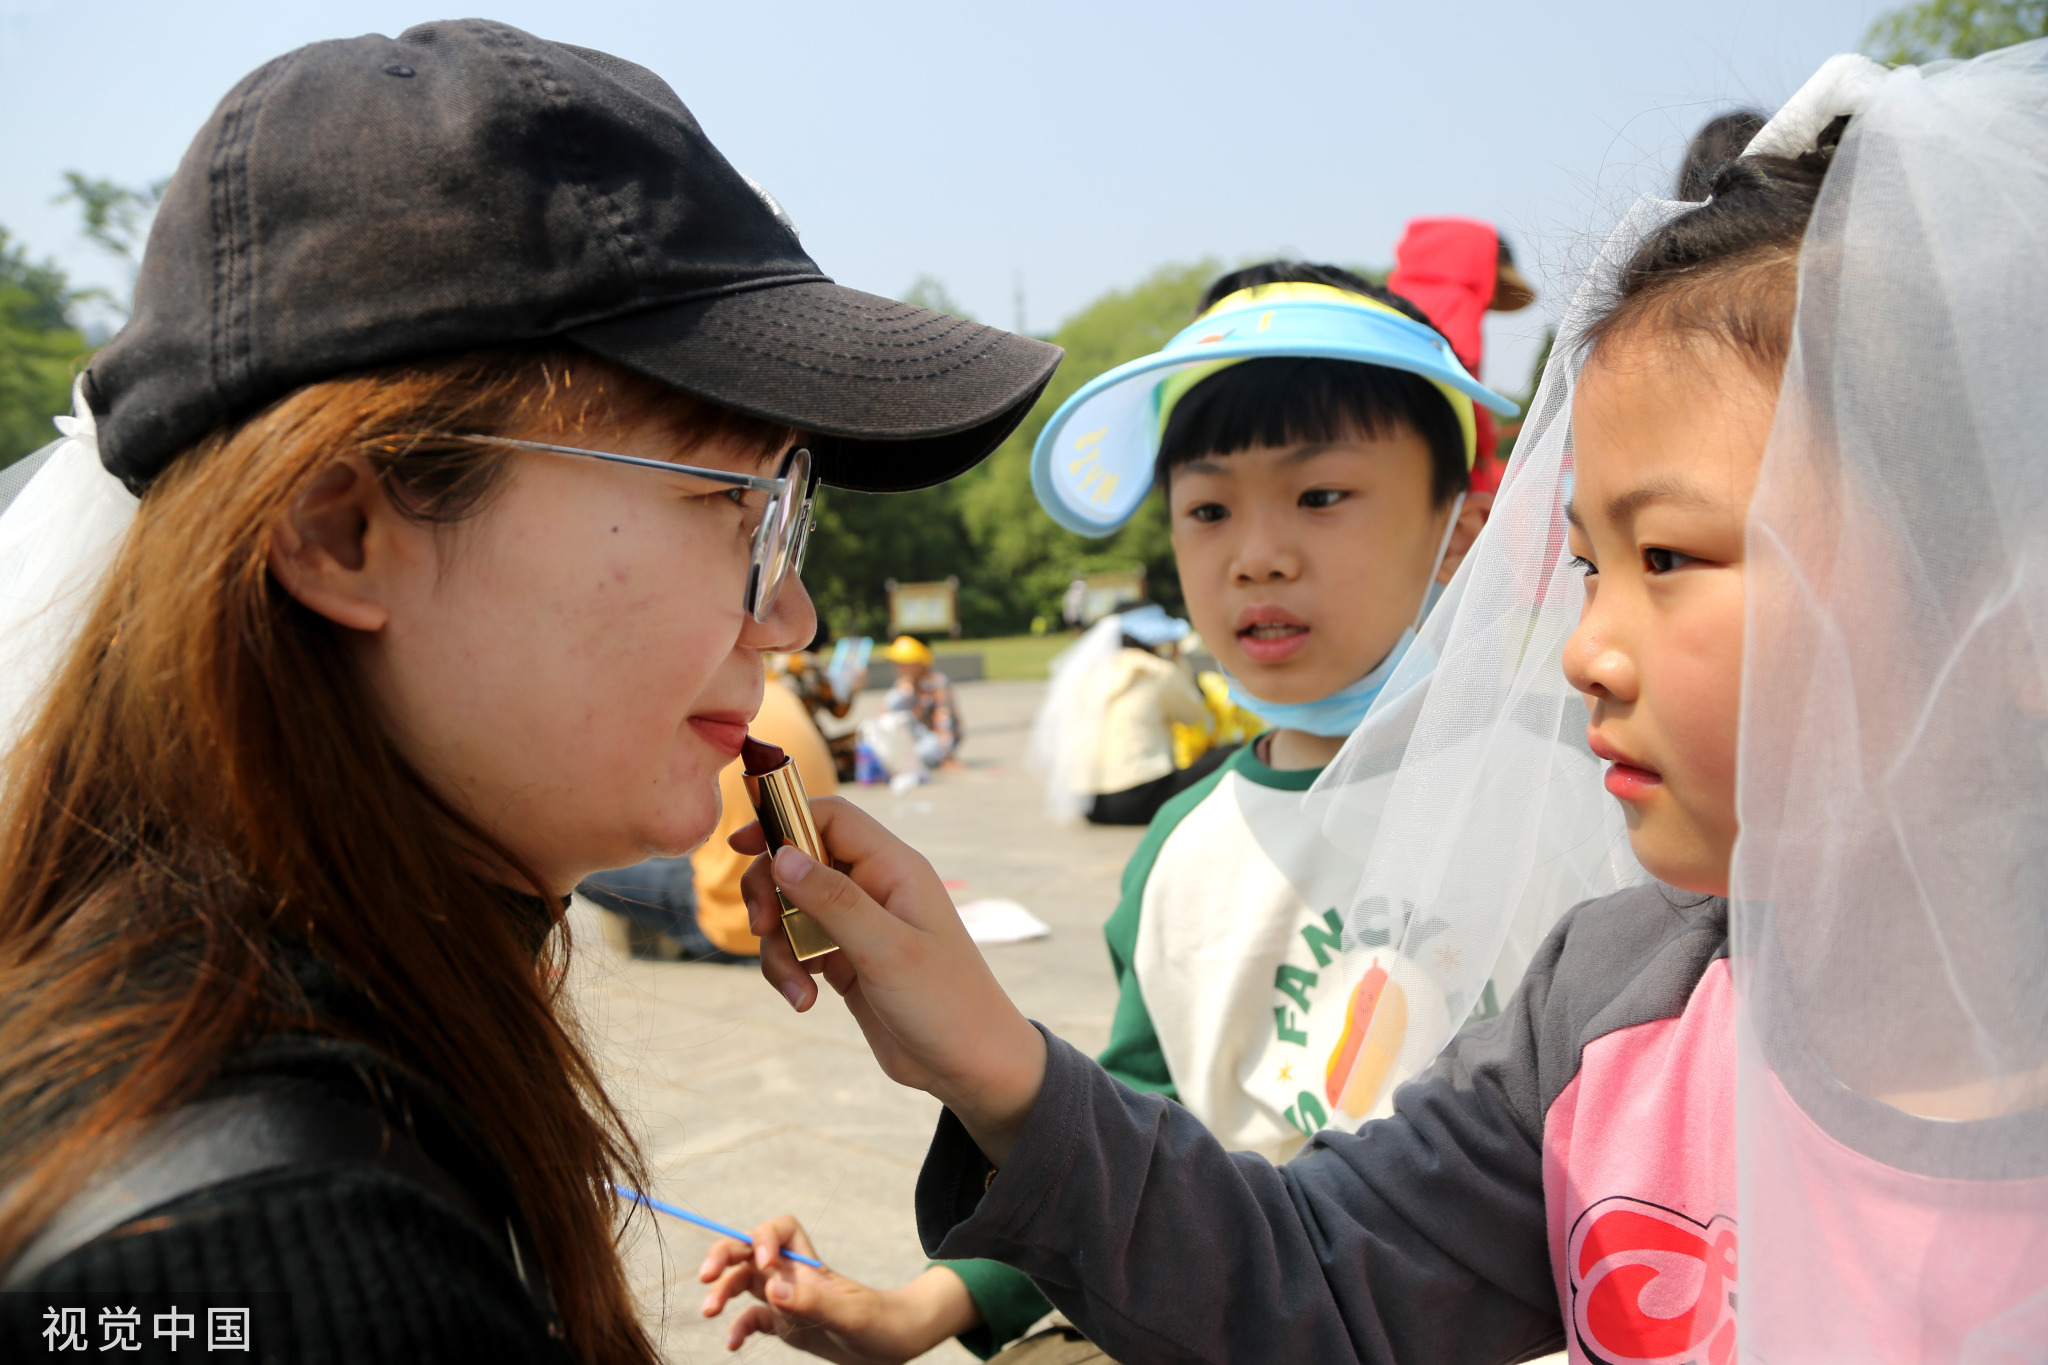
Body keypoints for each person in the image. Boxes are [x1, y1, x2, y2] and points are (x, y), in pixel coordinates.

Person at [704, 47, 2048, 1363]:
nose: (1585, 651)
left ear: (2012, 607)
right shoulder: (1609, 1006)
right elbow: (1314, 1275)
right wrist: (990, 1057)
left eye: (1672, 558)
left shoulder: (1571, 834)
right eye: (1587, 564)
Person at [0, 20, 1059, 1364]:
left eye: (789, 515)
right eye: (733, 501)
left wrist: (1004, 1082)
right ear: (341, 533)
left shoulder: (273, 1027)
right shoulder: (293, 1264)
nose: (790, 613)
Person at [709, 258, 1520, 1360]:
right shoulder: (1184, 848)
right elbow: (1138, 1125)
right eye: (1206, 508)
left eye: (1320, 495)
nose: (1256, 555)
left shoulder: (1578, 801)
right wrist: (915, 1311)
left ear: (1460, 527)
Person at [1386, 217, 1537, 493]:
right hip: (1438, 461)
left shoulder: (1392, 294)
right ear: (1485, 269)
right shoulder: (1458, 304)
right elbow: (1457, 386)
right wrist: (1485, 439)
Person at [1076, 605, 1214, 827]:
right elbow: (1196, 717)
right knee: (1232, 755)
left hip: (1089, 803)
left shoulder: (1093, 674)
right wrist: (1178, 661)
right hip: (1136, 799)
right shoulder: (1156, 670)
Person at [860, 634, 961, 778]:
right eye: (896, 663)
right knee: (896, 697)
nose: (898, 668)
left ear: (920, 663)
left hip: (935, 738)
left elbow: (944, 721)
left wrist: (947, 756)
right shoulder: (903, 686)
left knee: (926, 751)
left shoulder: (938, 683)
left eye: (903, 663)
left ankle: (911, 758)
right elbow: (883, 714)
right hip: (914, 736)